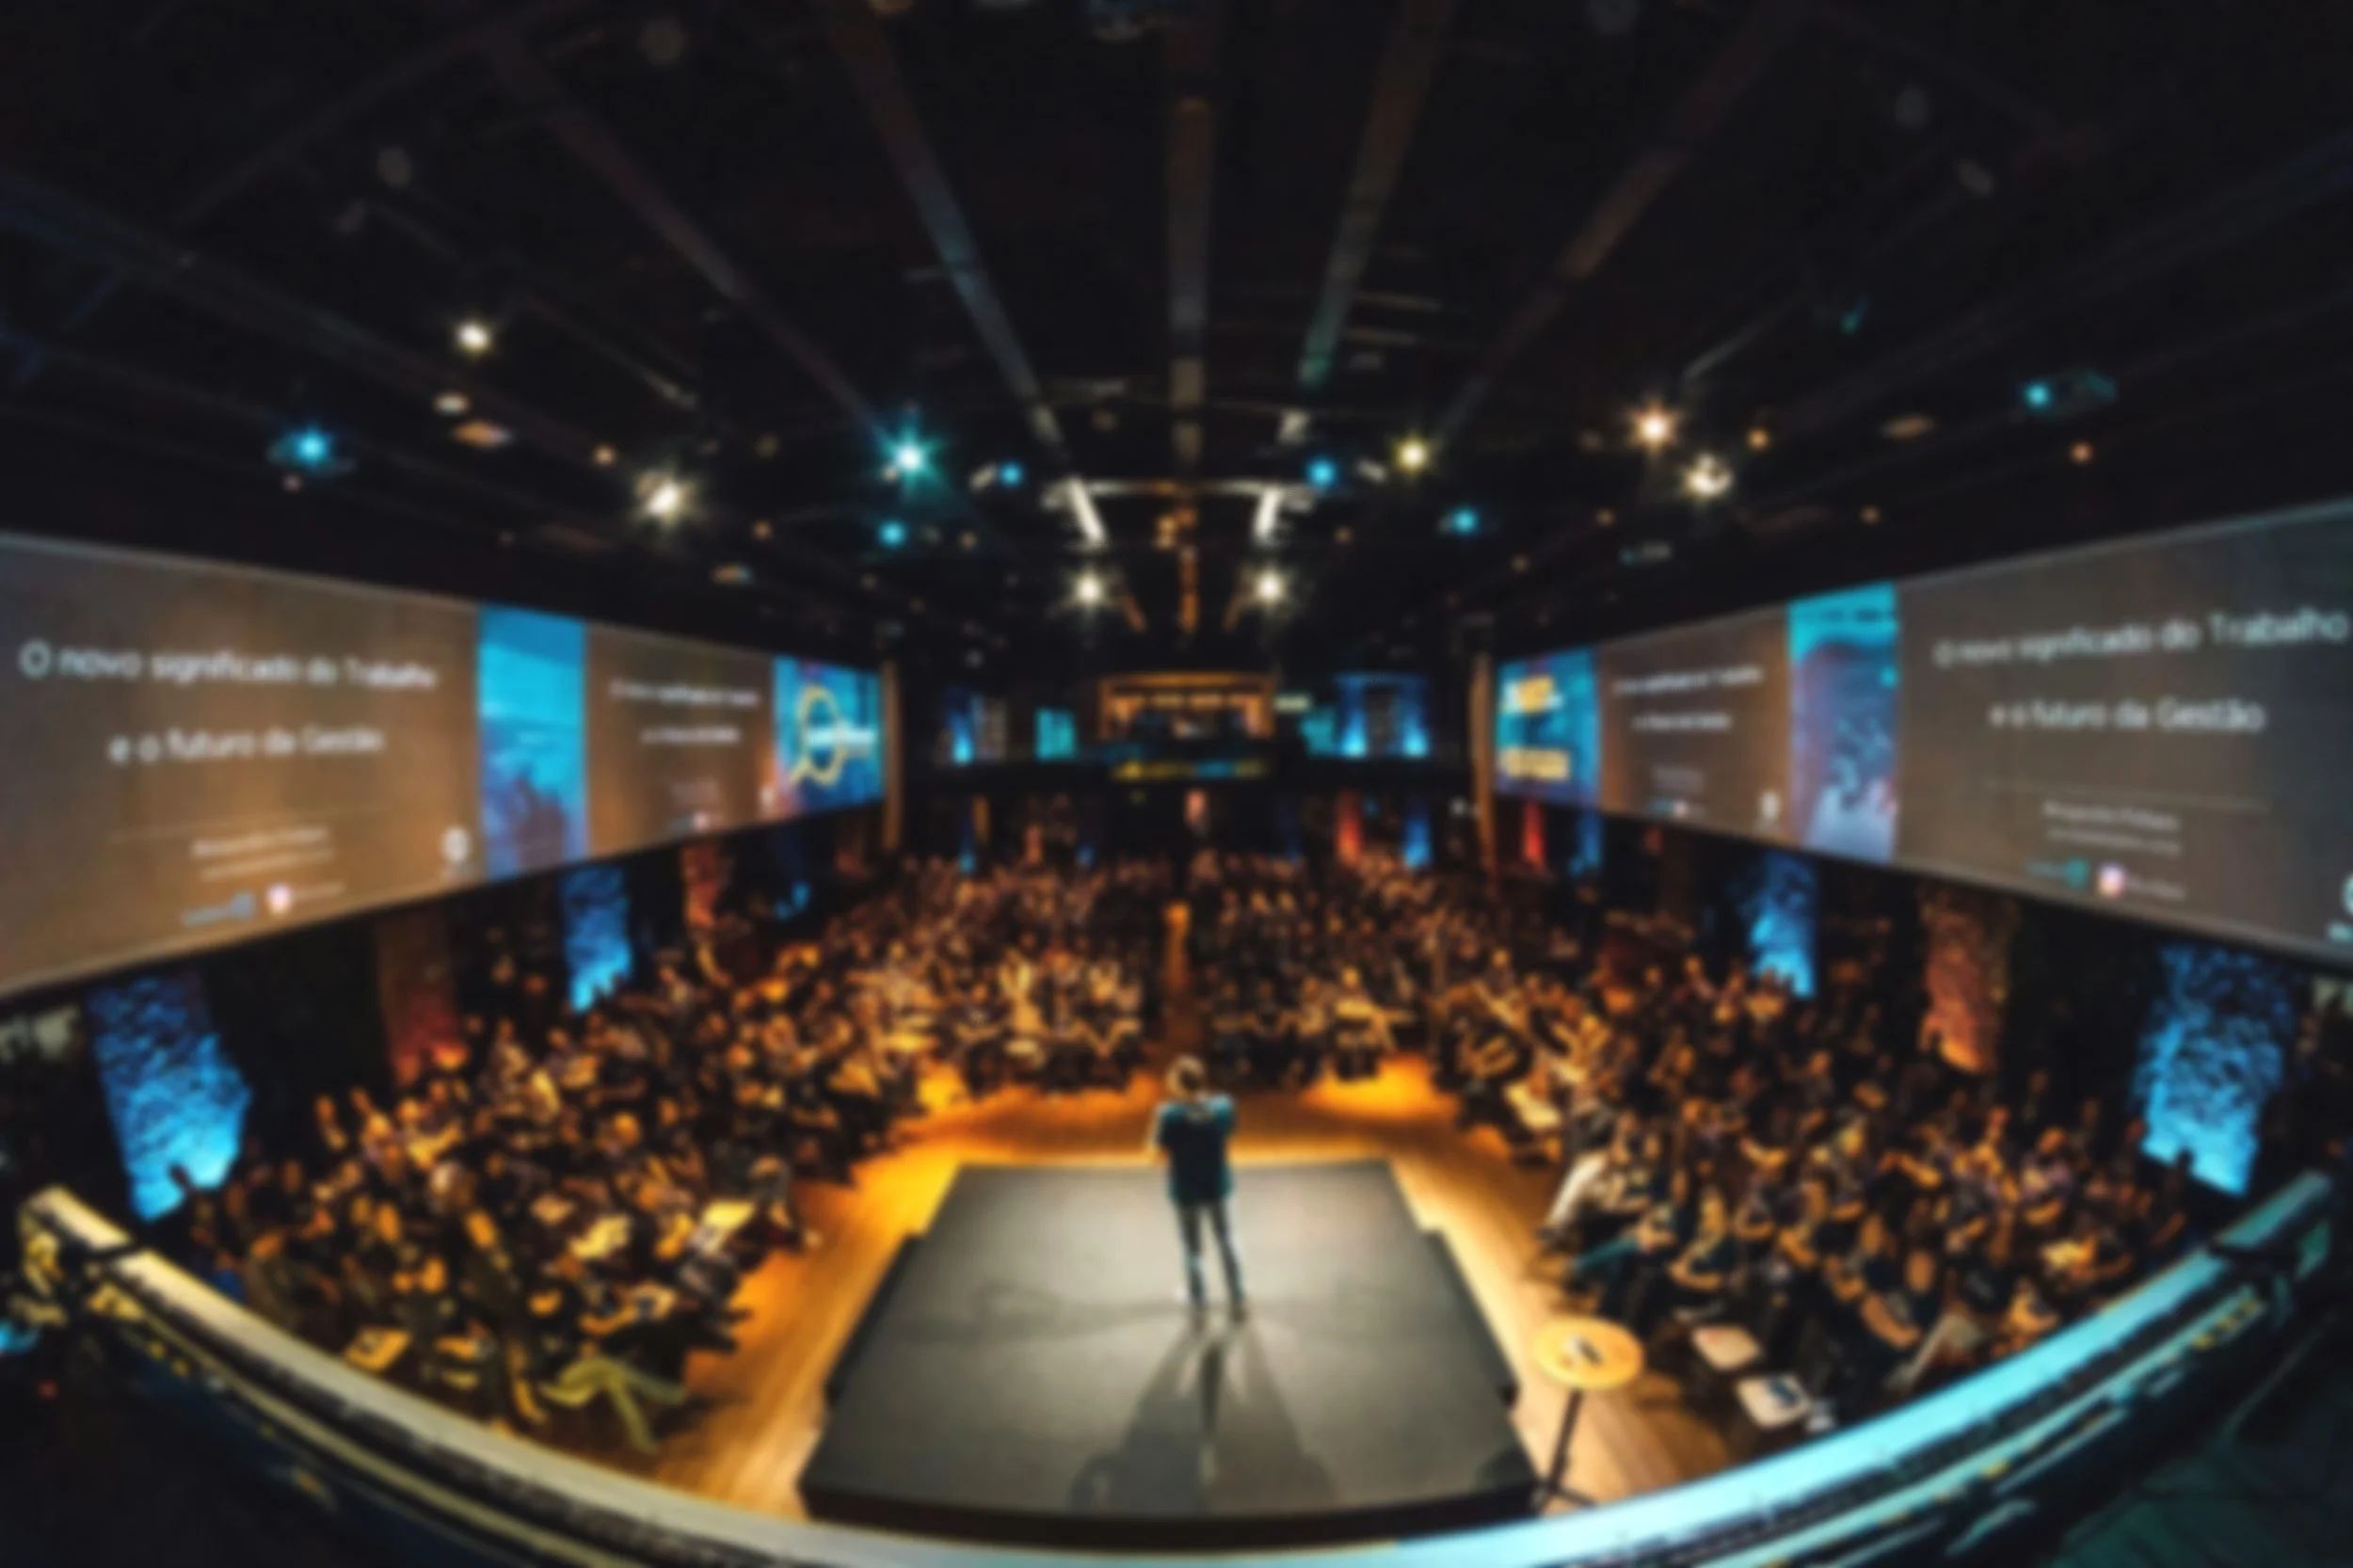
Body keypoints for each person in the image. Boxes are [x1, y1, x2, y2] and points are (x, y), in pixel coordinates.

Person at [1147, 1056, 1244, 1318]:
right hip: (1217, 1185)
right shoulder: (1224, 1106)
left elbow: (1153, 1157)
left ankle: (1198, 1297)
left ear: (1179, 1084)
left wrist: (1156, 1126)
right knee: (1227, 1239)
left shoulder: (1169, 1115)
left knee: (1191, 1246)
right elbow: (1229, 1134)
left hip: (1186, 1189)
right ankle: (1237, 1293)